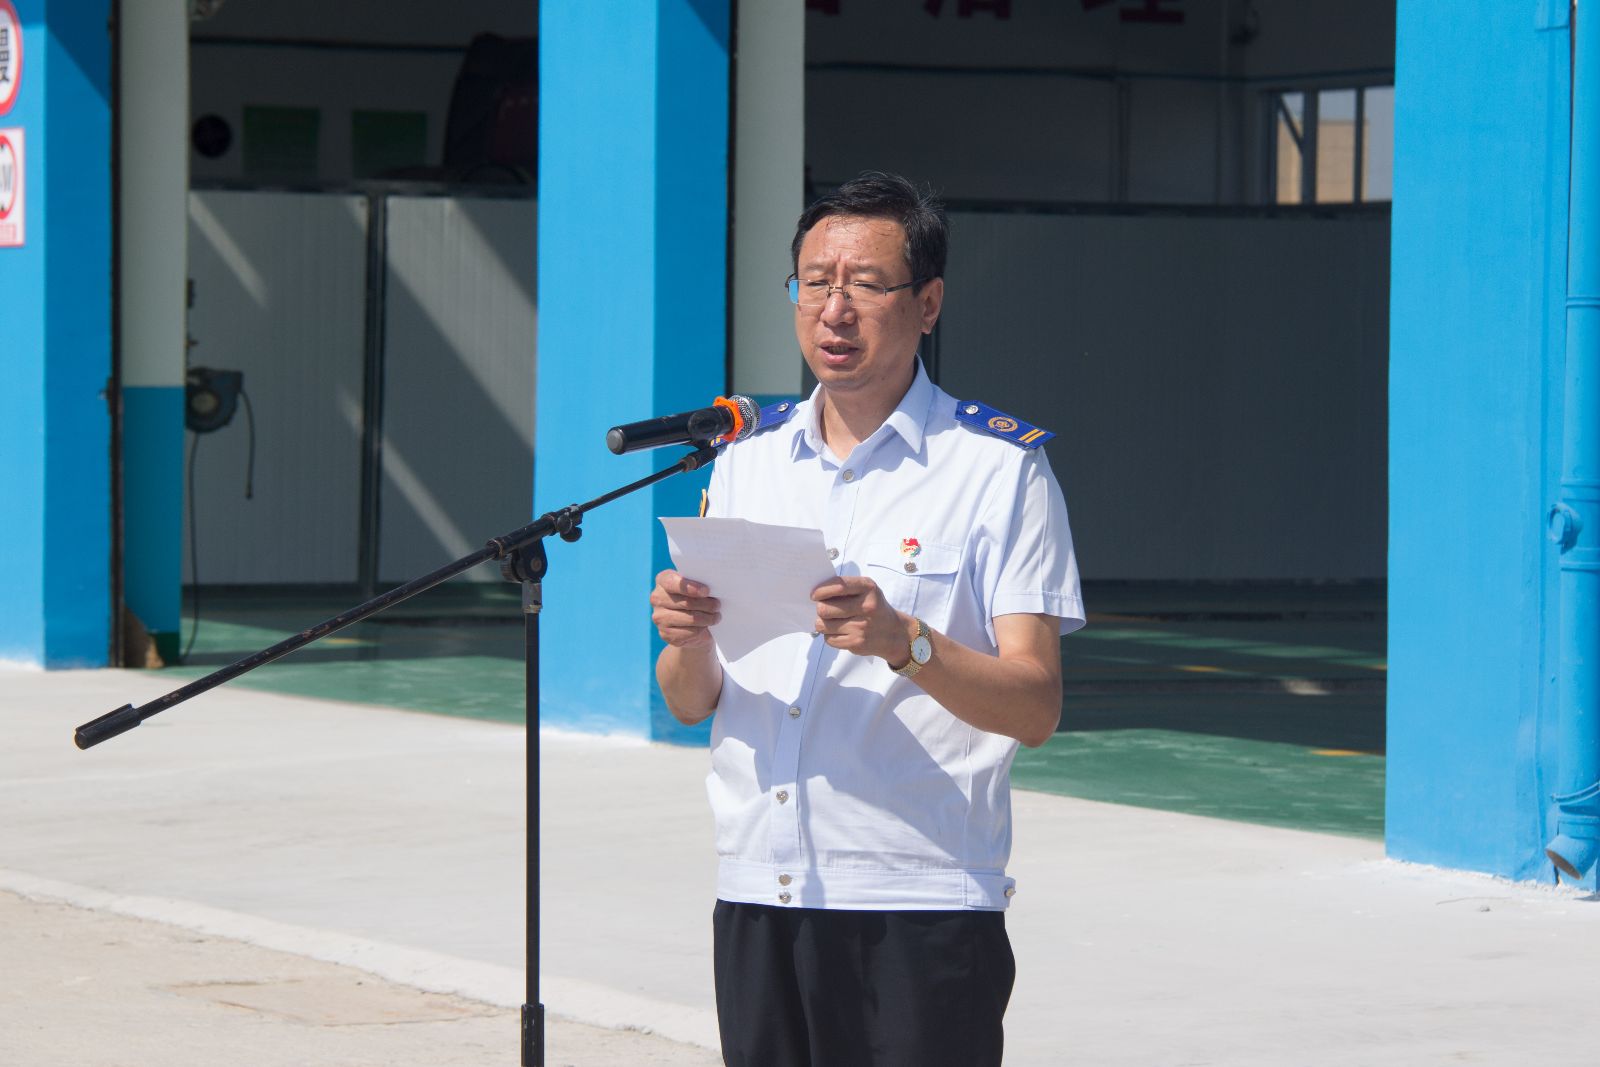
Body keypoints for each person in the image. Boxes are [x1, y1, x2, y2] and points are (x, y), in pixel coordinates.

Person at [649, 171, 1085, 1067]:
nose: (833, 309)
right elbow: (692, 701)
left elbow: (1036, 704)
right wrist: (685, 641)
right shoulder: (746, 461)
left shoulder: (998, 471)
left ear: (928, 303)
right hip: (761, 888)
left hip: (917, 900)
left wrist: (906, 643)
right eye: (815, 281)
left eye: (865, 284)